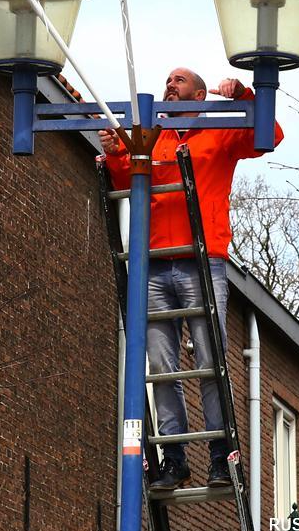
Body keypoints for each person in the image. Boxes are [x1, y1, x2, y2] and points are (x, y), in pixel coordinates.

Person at [99, 67, 283, 490]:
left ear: (200, 95)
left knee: (208, 358)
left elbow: (268, 135)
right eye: (167, 80)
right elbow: (128, 177)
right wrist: (113, 151)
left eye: (179, 80)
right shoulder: (154, 138)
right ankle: (174, 458)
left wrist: (245, 97)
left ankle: (221, 456)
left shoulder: (218, 131)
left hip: (204, 261)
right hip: (156, 263)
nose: (170, 84)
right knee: (162, 366)